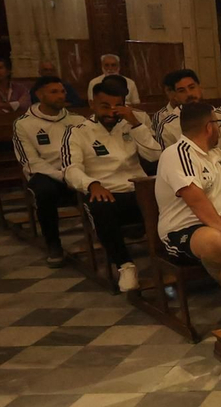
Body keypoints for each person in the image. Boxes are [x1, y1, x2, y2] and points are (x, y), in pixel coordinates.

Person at [155, 101, 221, 324]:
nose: (220, 129)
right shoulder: (177, 154)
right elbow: (196, 201)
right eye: (217, 123)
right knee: (216, 241)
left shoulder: (218, 154)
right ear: (210, 127)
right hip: (185, 229)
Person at [61, 79, 162, 292]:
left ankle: (170, 256)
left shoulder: (131, 126)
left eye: (117, 106)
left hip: (138, 188)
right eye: (105, 106)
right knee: (100, 206)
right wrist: (92, 184)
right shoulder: (78, 131)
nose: (111, 112)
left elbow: (154, 156)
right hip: (106, 191)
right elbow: (71, 169)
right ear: (92, 104)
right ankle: (125, 264)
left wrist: (136, 125)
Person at [13, 76, 86, 267]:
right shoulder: (24, 124)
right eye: (54, 92)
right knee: (45, 192)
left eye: (62, 91)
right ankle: (53, 244)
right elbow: (30, 161)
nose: (61, 96)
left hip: (75, 168)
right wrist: (63, 176)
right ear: (39, 94)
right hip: (46, 173)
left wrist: (75, 173)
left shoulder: (77, 120)